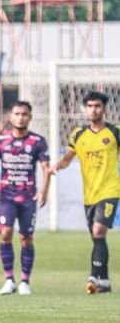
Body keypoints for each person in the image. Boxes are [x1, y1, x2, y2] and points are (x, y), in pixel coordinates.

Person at [50, 90, 120, 294]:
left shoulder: (115, 132)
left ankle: (93, 276)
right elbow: (68, 157)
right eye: (90, 106)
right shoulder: (78, 134)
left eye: (97, 106)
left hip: (110, 190)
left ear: (104, 109)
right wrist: (57, 166)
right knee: (97, 237)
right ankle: (105, 281)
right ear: (85, 109)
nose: (93, 109)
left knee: (99, 231)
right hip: (89, 194)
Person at [0, 100, 50, 296]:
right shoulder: (1, 140)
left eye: (24, 114)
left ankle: (24, 281)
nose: (20, 117)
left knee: (26, 239)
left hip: (28, 197)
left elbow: (46, 168)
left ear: (29, 117)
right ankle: (8, 279)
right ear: (10, 117)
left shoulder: (37, 141)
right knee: (5, 234)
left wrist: (44, 191)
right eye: (17, 113)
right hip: (7, 196)